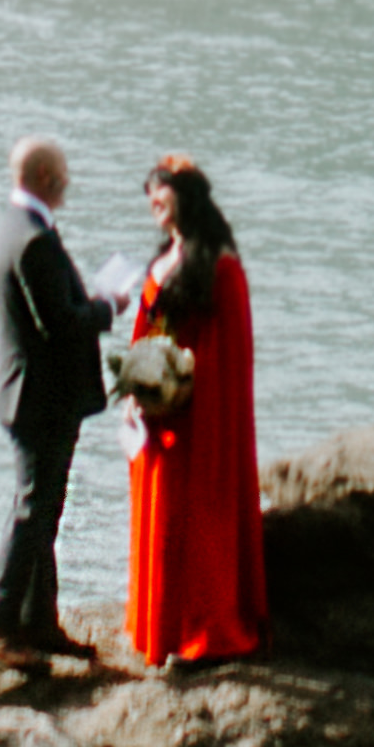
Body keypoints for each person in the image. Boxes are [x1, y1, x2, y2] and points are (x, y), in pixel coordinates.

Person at [120, 154, 266, 668]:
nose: (154, 202)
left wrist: (180, 384)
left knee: (196, 518)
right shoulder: (168, 254)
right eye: (150, 195)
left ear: (186, 197)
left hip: (198, 416)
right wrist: (136, 386)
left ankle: (203, 633)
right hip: (159, 411)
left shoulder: (221, 266)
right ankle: (158, 629)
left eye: (162, 193)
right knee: (159, 519)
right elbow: (148, 328)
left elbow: (226, 357)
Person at [0, 134, 114, 671]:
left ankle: (40, 620)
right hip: (40, 397)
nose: (68, 181)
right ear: (45, 178)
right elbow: (59, 324)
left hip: (26, 391)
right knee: (35, 509)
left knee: (46, 508)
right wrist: (107, 307)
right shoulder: (34, 240)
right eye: (63, 172)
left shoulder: (10, 228)